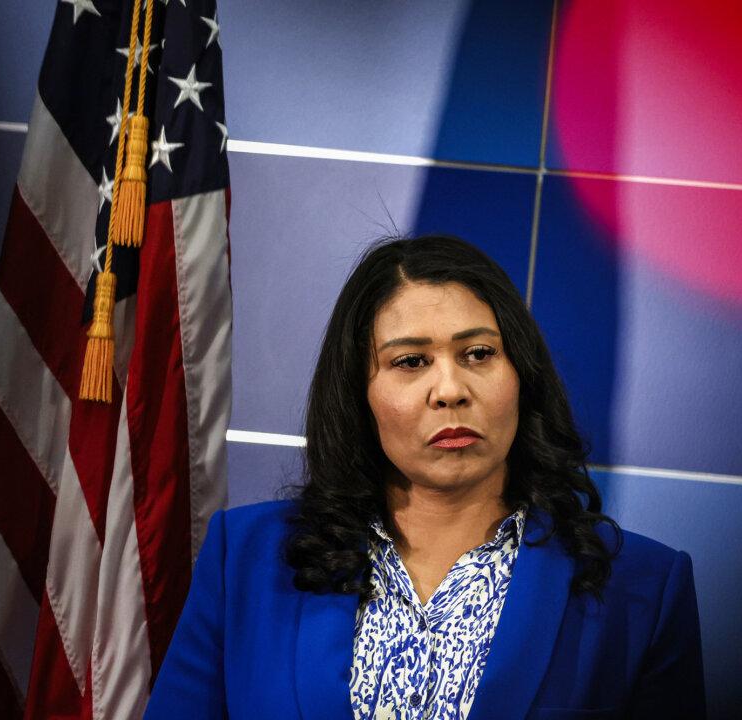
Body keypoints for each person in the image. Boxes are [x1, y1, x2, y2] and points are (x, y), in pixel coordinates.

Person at [145, 235, 705, 719]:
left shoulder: (643, 586)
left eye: (479, 353)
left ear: (521, 376)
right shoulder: (244, 557)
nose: (451, 389)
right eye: (411, 361)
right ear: (358, 394)